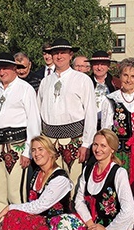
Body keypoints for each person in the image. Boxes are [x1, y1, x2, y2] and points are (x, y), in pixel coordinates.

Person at [48, 129, 134, 230]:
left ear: (112, 149)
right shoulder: (89, 169)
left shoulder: (118, 173)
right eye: (95, 144)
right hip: (91, 223)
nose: (98, 149)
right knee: (58, 222)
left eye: (103, 145)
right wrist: (90, 224)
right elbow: (79, 200)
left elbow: (129, 209)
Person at [0, 53, 41, 230]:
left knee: (16, 195)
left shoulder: (25, 89)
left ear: (15, 69)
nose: (2, 71)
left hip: (16, 146)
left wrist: (28, 152)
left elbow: (33, 121)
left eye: (6, 68)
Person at [37, 38, 97, 186]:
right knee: (50, 182)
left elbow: (90, 112)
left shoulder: (82, 79)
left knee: (74, 182)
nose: (59, 56)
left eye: (63, 52)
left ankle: (72, 209)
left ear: (71, 55)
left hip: (75, 139)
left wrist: (87, 143)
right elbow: (38, 112)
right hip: (50, 140)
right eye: (56, 53)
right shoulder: (45, 82)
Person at [101, 57, 134, 191]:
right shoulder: (111, 100)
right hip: (121, 153)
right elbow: (106, 131)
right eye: (125, 75)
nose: (128, 80)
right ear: (120, 76)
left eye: (133, 76)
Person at [89, 50, 120, 129]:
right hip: (89, 124)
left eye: (103, 64)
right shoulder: (85, 82)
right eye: (96, 64)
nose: (99, 68)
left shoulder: (117, 83)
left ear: (108, 66)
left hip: (110, 125)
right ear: (91, 65)